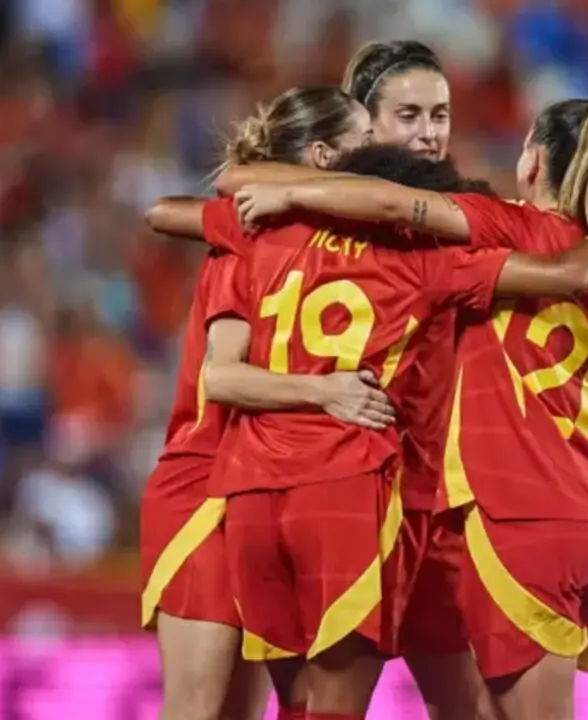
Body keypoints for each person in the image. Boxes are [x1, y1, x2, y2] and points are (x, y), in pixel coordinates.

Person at [231, 96, 588, 720]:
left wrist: (295, 193)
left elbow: (390, 201)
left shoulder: (513, 228)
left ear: (533, 161)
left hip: (521, 513)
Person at [139, 86, 384, 720]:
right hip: (205, 488)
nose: (382, 148)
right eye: (368, 137)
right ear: (323, 155)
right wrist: (326, 392)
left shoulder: (350, 242)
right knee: (196, 710)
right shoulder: (254, 233)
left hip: (271, 487)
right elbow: (219, 379)